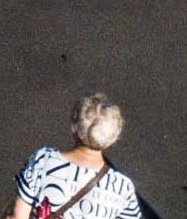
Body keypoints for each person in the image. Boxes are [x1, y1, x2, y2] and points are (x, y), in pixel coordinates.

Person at [11, 94, 141, 219]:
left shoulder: (43, 161)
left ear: (76, 126)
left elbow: (16, 216)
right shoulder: (122, 187)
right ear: (114, 137)